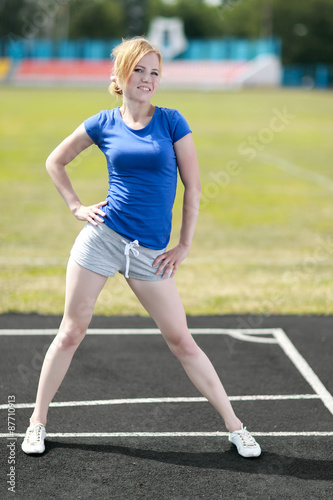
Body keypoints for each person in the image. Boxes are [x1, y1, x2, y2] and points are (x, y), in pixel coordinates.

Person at [21, 36, 261, 459]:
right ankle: (37, 422)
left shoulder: (171, 121)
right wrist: (76, 205)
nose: (148, 79)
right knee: (71, 331)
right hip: (102, 239)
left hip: (150, 252)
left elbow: (194, 187)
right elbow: (54, 160)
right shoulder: (102, 123)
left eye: (154, 72)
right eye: (139, 70)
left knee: (181, 340)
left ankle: (236, 427)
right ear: (119, 77)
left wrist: (183, 245)